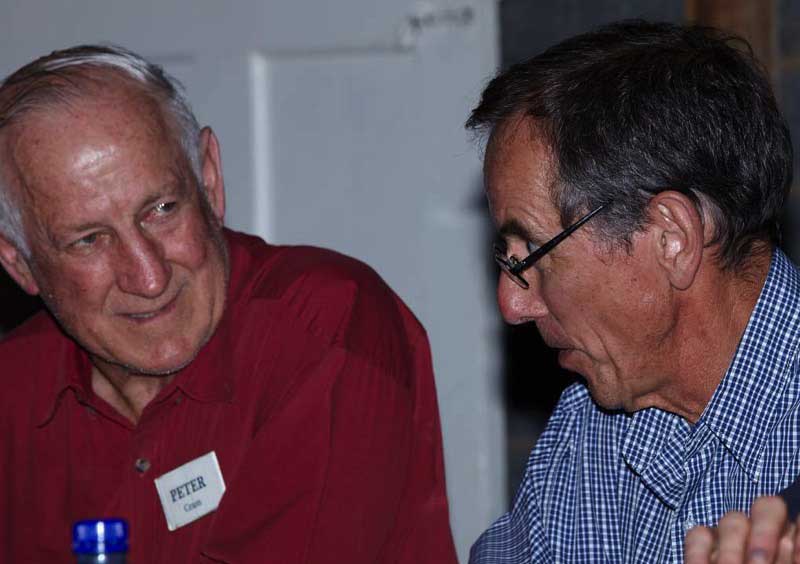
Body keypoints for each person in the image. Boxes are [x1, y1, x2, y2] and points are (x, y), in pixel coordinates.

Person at [0, 44, 457, 563]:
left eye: (162, 209)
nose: (149, 277)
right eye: (89, 240)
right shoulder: (15, 391)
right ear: (18, 263)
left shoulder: (322, 327)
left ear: (210, 179)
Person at [465, 20, 800, 563]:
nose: (513, 304)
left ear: (671, 238)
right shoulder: (590, 431)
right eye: (508, 259)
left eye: (533, 254)